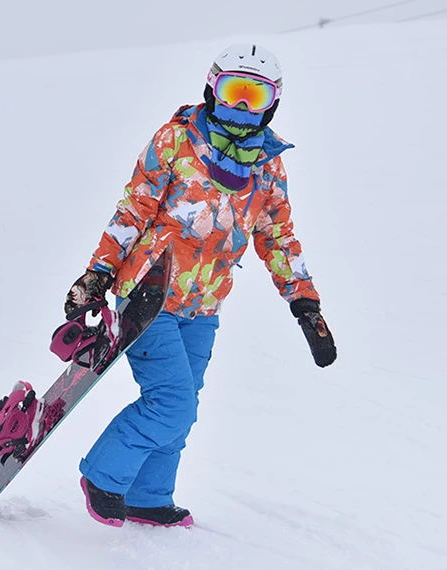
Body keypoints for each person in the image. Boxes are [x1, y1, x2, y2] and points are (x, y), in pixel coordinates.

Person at [64, 44, 337, 529]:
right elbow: (133, 210)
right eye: (234, 92)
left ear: (274, 102)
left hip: (204, 305)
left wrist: (306, 305)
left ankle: (148, 496)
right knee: (171, 401)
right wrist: (98, 274)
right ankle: (103, 477)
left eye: (256, 96)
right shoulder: (176, 140)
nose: (243, 108)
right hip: (149, 295)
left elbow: (277, 236)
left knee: (183, 407)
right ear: (212, 89)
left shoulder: (267, 165)